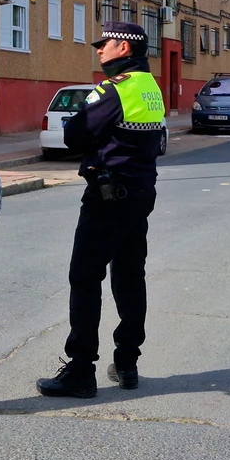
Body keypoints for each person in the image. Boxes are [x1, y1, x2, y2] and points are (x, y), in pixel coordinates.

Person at [36, 21, 166, 399]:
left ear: (124, 49)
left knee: (85, 277)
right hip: (140, 193)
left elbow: (74, 134)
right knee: (129, 277)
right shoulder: (150, 86)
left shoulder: (115, 89)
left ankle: (80, 369)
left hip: (109, 195)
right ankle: (127, 362)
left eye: (105, 44)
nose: (99, 50)